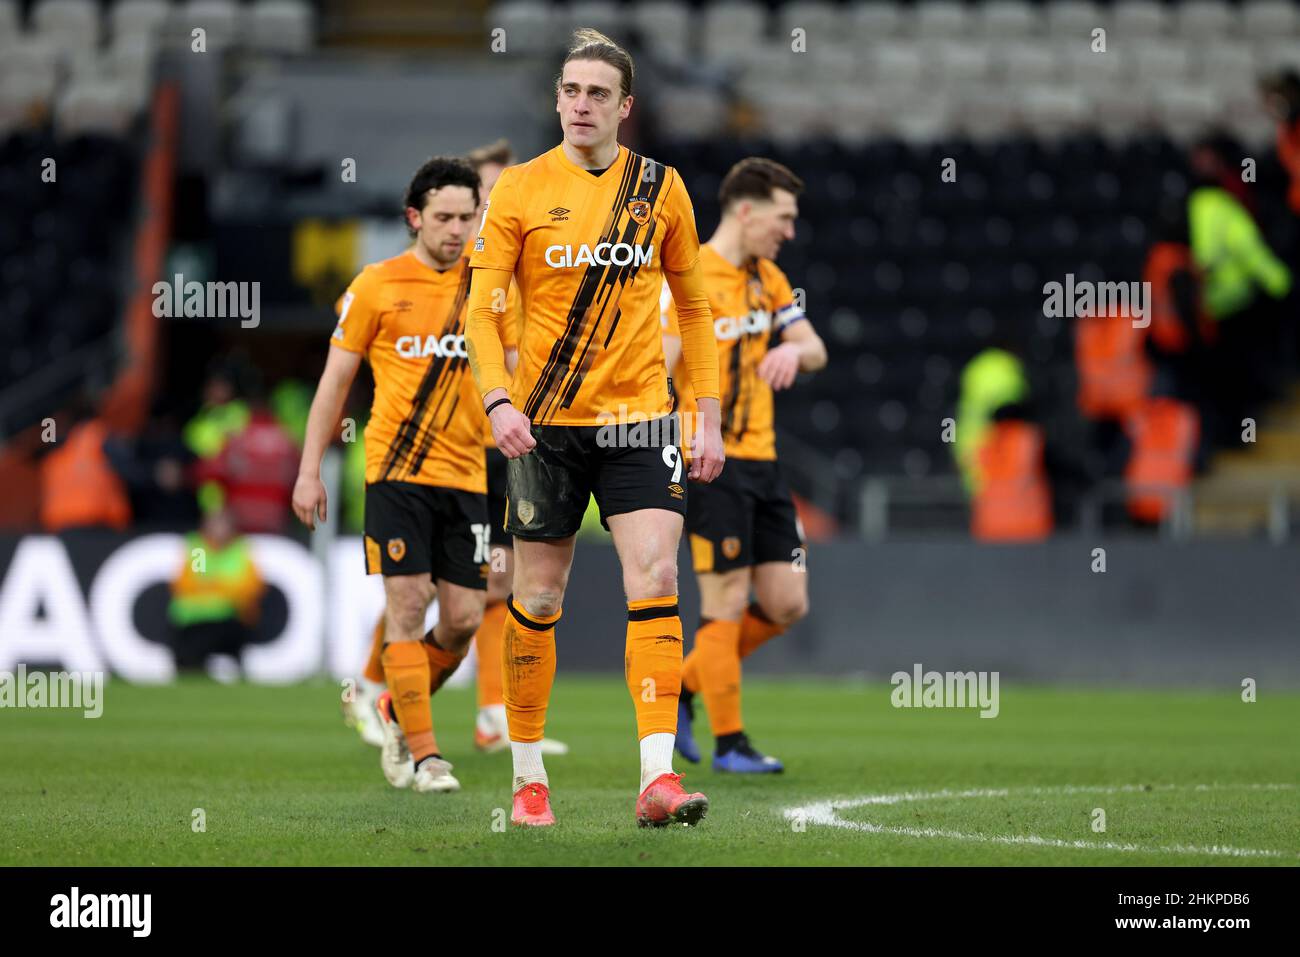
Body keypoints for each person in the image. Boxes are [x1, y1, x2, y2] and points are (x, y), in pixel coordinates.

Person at [466, 29, 724, 827]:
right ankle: (529, 777)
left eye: (598, 94)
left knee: (656, 580)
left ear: (625, 107)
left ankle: (657, 776)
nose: (582, 105)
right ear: (557, 100)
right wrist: (498, 400)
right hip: (543, 426)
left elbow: (696, 306)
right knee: (538, 595)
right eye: (571, 91)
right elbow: (480, 307)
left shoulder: (662, 188)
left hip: (640, 419)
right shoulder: (516, 188)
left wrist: (705, 412)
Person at [346, 140, 569, 758]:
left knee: (497, 586)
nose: (494, 209)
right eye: (485, 198)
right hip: (453, 451)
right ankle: (373, 688)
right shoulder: (438, 279)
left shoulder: (515, 273)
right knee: (416, 589)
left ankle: (491, 715)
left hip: (506, 445)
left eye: (499, 198)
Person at [294, 156, 491, 794]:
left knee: (462, 620)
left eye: (468, 216)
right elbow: (333, 385)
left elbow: (514, 373)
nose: (458, 229)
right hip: (396, 472)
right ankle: (426, 755)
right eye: (445, 217)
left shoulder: (489, 290)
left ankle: (395, 704)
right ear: (414, 217)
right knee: (407, 604)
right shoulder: (377, 285)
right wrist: (310, 471)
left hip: (469, 476)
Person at [659, 157, 826, 772]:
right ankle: (732, 744)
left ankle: (684, 684)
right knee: (725, 597)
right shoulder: (689, 275)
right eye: (783, 218)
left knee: (786, 603)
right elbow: (658, 360)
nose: (789, 231)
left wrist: (792, 349)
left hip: (764, 462)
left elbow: (816, 348)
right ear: (747, 210)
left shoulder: (770, 280)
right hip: (708, 456)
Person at [167, 508, 265, 673]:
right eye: (215, 525)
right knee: (191, 646)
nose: (219, 530)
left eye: (223, 525)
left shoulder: (240, 549)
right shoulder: (199, 548)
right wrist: (224, 586)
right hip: (194, 618)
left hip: (230, 617)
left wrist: (214, 585)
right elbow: (194, 582)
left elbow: (251, 586)